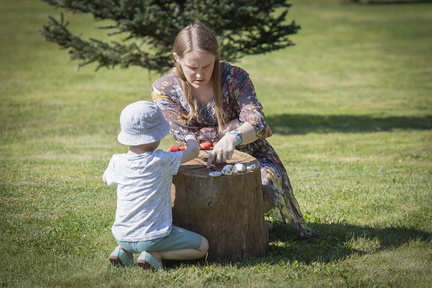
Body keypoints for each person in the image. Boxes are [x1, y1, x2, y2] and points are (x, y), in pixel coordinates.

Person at [151, 23, 317, 239]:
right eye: (192, 68)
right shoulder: (164, 88)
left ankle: (251, 224)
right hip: (194, 156)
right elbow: (182, 133)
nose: (200, 74)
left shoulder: (236, 77)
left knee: (265, 182)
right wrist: (229, 126)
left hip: (251, 152)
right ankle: (233, 228)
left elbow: (256, 121)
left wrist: (234, 135)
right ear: (176, 58)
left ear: (216, 57)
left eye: (207, 66)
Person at [103, 101, 209, 271]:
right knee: (202, 246)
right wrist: (189, 136)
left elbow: (106, 179)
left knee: (130, 242)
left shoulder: (117, 161)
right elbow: (194, 152)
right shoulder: (161, 160)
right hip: (154, 236)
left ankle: (123, 252)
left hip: (122, 235)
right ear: (156, 136)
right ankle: (155, 255)